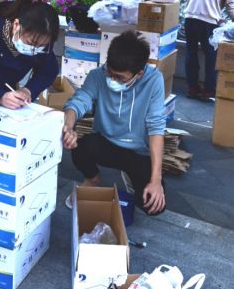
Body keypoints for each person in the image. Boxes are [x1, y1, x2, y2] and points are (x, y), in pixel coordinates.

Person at [62, 31, 166, 216]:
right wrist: (68, 126)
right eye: (110, 73)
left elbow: (156, 127)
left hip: (138, 151)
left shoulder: (154, 80)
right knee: (80, 147)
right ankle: (91, 180)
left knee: (152, 206)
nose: (112, 80)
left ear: (139, 74)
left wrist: (155, 180)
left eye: (120, 78)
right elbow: (79, 101)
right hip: (107, 142)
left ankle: (132, 177)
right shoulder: (98, 75)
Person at [183, 0, 234, 101]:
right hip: (206, 23)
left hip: (189, 18)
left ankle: (192, 88)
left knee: (191, 53)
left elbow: (203, 3)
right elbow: (231, 9)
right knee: (211, 55)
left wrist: (218, 19)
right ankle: (208, 90)